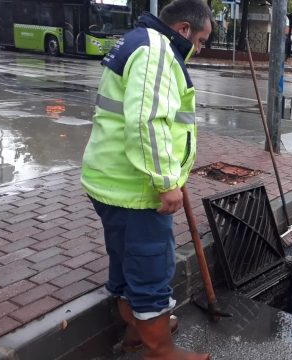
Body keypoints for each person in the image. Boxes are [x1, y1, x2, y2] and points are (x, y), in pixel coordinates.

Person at [80, 1, 213, 359]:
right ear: (183, 29)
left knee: (126, 263)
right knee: (151, 267)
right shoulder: (157, 50)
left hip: (111, 180)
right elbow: (148, 121)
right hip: (137, 189)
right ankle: (160, 350)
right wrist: (165, 181)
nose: (198, 51)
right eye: (200, 41)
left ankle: (137, 333)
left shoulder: (137, 40)